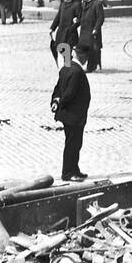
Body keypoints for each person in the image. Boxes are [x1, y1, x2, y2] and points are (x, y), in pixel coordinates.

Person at [51, 42, 92, 182]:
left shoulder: (66, 68)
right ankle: (68, 172)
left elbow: (58, 88)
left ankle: (75, 169)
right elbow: (69, 94)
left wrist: (55, 101)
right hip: (74, 115)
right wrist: (61, 102)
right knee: (72, 145)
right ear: (84, 57)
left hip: (69, 115)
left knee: (75, 143)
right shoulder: (77, 72)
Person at [49, 0, 81, 65]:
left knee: (68, 50)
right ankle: (68, 63)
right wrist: (52, 28)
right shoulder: (62, 5)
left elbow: (80, 19)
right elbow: (58, 17)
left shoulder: (76, 5)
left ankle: (68, 67)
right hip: (61, 31)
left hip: (70, 33)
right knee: (60, 49)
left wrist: (73, 26)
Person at [78, 0, 105, 72]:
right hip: (84, 31)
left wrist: (96, 29)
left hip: (92, 31)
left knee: (92, 49)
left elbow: (100, 18)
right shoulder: (83, 4)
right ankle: (81, 65)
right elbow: (81, 16)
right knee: (82, 49)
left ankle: (91, 67)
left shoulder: (97, 4)